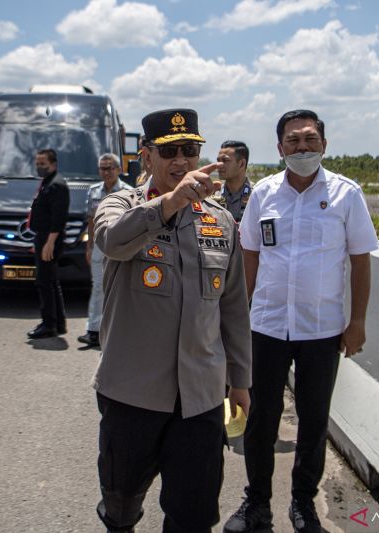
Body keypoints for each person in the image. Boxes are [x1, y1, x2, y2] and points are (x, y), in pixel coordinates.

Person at [92, 108, 252, 532]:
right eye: (169, 151)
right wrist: (172, 200)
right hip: (132, 395)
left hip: (199, 398)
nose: (181, 160)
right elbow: (111, 241)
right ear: (146, 157)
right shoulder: (121, 204)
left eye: (190, 150)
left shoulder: (219, 220)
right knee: (121, 507)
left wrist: (240, 381)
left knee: (195, 515)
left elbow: (233, 307)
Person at [224, 110, 378, 533]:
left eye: (310, 139)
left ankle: (303, 504)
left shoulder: (347, 195)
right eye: (293, 141)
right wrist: (238, 318)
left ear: (324, 145)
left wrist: (357, 321)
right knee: (259, 420)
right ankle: (256, 503)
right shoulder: (265, 195)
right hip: (267, 326)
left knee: (313, 421)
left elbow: (360, 260)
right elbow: (251, 256)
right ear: (280, 148)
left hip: (321, 330)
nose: (302, 147)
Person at [77, 153, 132, 348]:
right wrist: (89, 245)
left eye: (110, 168)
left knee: (119, 288)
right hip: (99, 246)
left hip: (121, 246)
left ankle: (117, 331)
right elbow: (91, 220)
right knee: (98, 286)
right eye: (103, 168)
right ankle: (93, 331)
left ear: (119, 169)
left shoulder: (128, 191)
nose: (106, 172)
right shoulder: (93, 191)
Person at [27, 148, 70, 339]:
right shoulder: (47, 182)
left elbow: (58, 217)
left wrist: (49, 243)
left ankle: (49, 324)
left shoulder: (57, 185)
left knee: (44, 282)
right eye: (37, 164)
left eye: (42, 164)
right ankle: (58, 323)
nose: (39, 167)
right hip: (43, 237)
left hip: (49, 239)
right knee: (51, 281)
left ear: (53, 164)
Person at [216, 140, 253, 222]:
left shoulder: (257, 195)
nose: (218, 165)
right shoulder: (212, 196)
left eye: (225, 160)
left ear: (241, 164)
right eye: (218, 160)